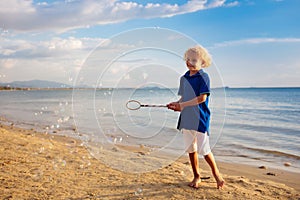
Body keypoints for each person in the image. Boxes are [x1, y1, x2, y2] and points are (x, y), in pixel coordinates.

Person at [167, 46, 225, 189]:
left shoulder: (203, 77)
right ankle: (196, 176)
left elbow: (201, 98)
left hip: (200, 119)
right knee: (191, 149)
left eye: (194, 60)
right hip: (186, 119)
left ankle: (216, 174)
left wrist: (183, 105)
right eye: (188, 59)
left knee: (204, 150)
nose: (189, 62)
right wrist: (176, 104)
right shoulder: (184, 78)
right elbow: (183, 98)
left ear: (203, 63)